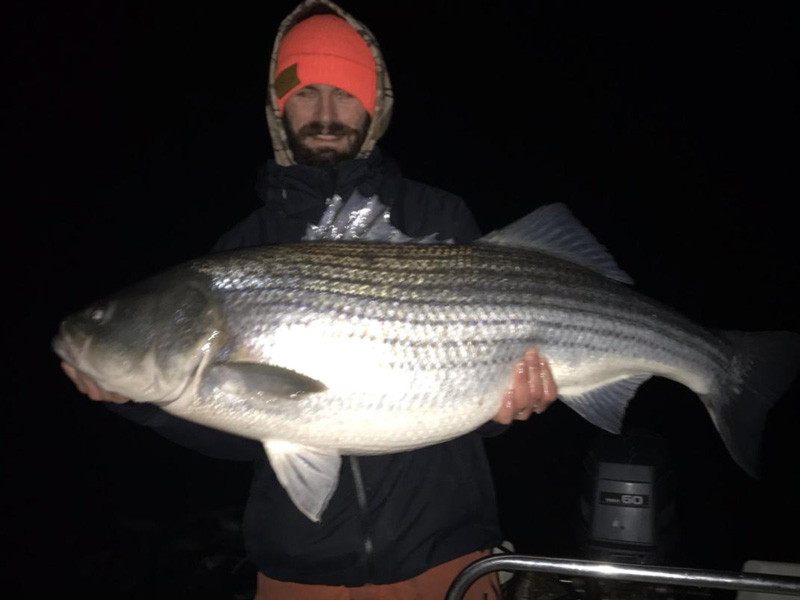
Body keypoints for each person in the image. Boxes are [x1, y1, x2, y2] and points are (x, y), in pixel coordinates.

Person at [60, 1, 559, 598]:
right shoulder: (241, 246)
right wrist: (140, 403)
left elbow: (474, 380)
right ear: (279, 107)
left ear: (374, 105)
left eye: (345, 94)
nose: (325, 113)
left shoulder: (439, 214)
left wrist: (506, 410)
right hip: (297, 570)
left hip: (443, 553)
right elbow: (235, 433)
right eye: (306, 93)